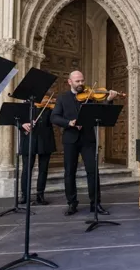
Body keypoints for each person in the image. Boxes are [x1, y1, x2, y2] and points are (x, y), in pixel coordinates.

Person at [51, 70, 118, 216]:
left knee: (93, 172)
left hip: (88, 139)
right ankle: (72, 204)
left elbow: (102, 112)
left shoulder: (91, 97)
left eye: (82, 81)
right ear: (70, 82)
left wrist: (109, 99)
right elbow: (54, 117)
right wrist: (69, 122)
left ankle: (96, 204)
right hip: (70, 139)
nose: (81, 84)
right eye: (77, 81)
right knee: (69, 172)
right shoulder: (62, 98)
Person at [19, 100, 56, 205]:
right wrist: (22, 125)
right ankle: (25, 195)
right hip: (29, 139)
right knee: (26, 169)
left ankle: (40, 195)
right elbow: (15, 120)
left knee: (43, 169)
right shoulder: (25, 105)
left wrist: (55, 110)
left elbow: (55, 118)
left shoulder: (49, 105)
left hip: (45, 139)